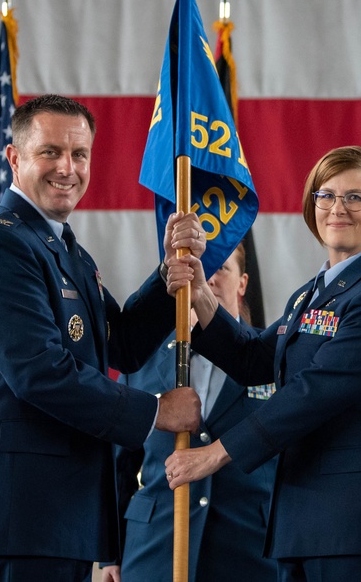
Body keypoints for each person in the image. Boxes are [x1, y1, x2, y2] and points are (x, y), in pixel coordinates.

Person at [0, 94, 205, 582]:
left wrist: (170, 275)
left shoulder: (61, 247)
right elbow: (40, 373)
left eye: (79, 155)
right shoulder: (0, 245)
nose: (68, 167)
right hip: (18, 515)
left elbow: (116, 343)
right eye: (50, 152)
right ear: (15, 159)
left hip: (56, 515)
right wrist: (157, 411)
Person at [165, 146, 361, 581]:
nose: (337, 208)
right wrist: (202, 294)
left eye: (355, 197)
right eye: (326, 195)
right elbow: (254, 359)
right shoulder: (313, 293)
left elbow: (314, 394)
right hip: (302, 525)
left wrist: (215, 453)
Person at [103, 242, 278, 582]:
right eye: (199, 267)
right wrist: (112, 552)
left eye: (220, 268)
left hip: (248, 553)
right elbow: (119, 463)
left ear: (242, 283)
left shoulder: (271, 358)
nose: (206, 277)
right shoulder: (141, 360)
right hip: (154, 551)